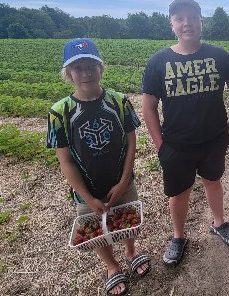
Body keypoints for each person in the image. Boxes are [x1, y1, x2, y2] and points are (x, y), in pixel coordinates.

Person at [141, 0, 229, 265]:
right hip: (176, 144)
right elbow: (149, 106)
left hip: (213, 139)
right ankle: (178, 237)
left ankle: (219, 223)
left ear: (201, 21)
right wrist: (160, 144)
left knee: (213, 181)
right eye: (179, 18)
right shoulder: (158, 61)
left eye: (192, 17)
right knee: (179, 193)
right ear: (172, 24)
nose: (186, 23)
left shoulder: (219, 55)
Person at [47, 38, 150, 296]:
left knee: (127, 221)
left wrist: (124, 180)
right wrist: (86, 196)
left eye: (91, 65)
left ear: (100, 68)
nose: (86, 73)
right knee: (97, 230)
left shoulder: (119, 101)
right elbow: (66, 160)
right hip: (87, 188)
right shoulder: (59, 112)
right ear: (68, 74)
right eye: (78, 68)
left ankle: (130, 251)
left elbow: (130, 142)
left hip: (121, 180)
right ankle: (112, 266)